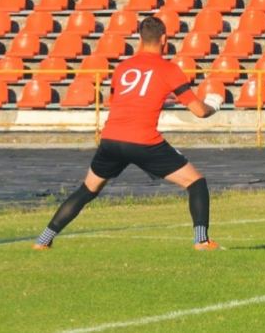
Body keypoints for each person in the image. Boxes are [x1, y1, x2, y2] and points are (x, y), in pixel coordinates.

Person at [33, 16, 226, 251]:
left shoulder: (123, 68)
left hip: (111, 139)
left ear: (140, 40)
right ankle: (201, 240)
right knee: (196, 183)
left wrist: (157, 101)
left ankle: (43, 240)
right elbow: (199, 111)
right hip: (143, 140)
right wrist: (213, 104)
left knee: (87, 190)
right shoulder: (169, 68)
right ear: (164, 39)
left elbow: (115, 103)